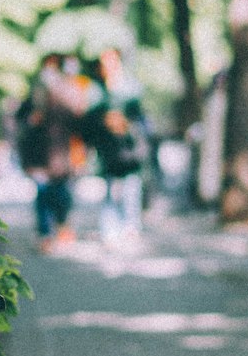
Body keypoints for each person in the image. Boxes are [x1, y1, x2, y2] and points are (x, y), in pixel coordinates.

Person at [80, 49, 150, 243]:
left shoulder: (130, 87)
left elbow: (138, 115)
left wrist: (125, 123)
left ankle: (131, 225)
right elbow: (89, 118)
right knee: (111, 188)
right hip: (108, 147)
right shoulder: (97, 89)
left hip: (128, 146)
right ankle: (110, 228)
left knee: (131, 187)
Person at [15, 55, 78, 250]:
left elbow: (77, 120)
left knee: (61, 194)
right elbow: (20, 118)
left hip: (60, 156)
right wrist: (31, 120)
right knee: (43, 195)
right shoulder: (35, 94)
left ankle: (61, 225)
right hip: (39, 156)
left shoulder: (67, 93)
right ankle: (45, 234)